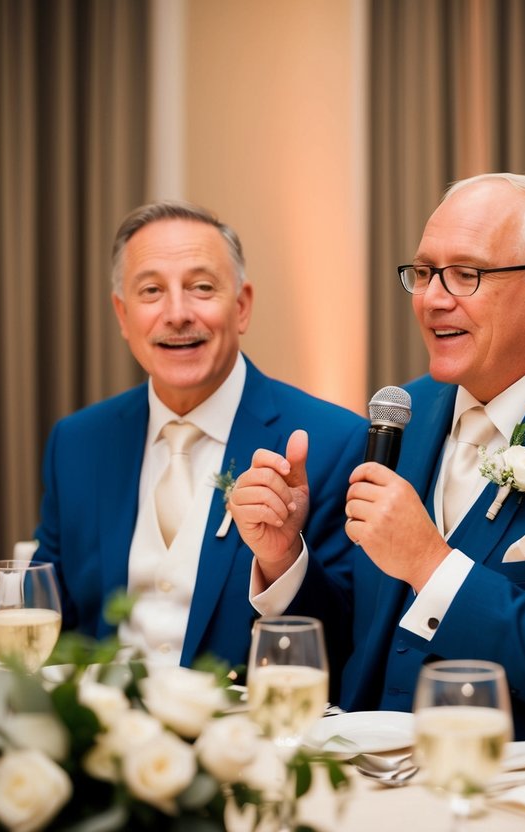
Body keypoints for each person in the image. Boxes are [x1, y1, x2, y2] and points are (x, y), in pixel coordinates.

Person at [230, 173, 525, 759]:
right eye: (424, 272)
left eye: (467, 274)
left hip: (514, 798)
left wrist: (434, 566)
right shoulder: (400, 420)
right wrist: (285, 558)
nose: (433, 298)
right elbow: (363, 641)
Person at [33, 200, 365, 668]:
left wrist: (283, 559)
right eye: (151, 291)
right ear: (123, 315)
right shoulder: (78, 442)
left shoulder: (332, 441)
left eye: (201, 288)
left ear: (242, 306)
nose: (177, 313)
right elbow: (47, 615)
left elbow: (351, 646)